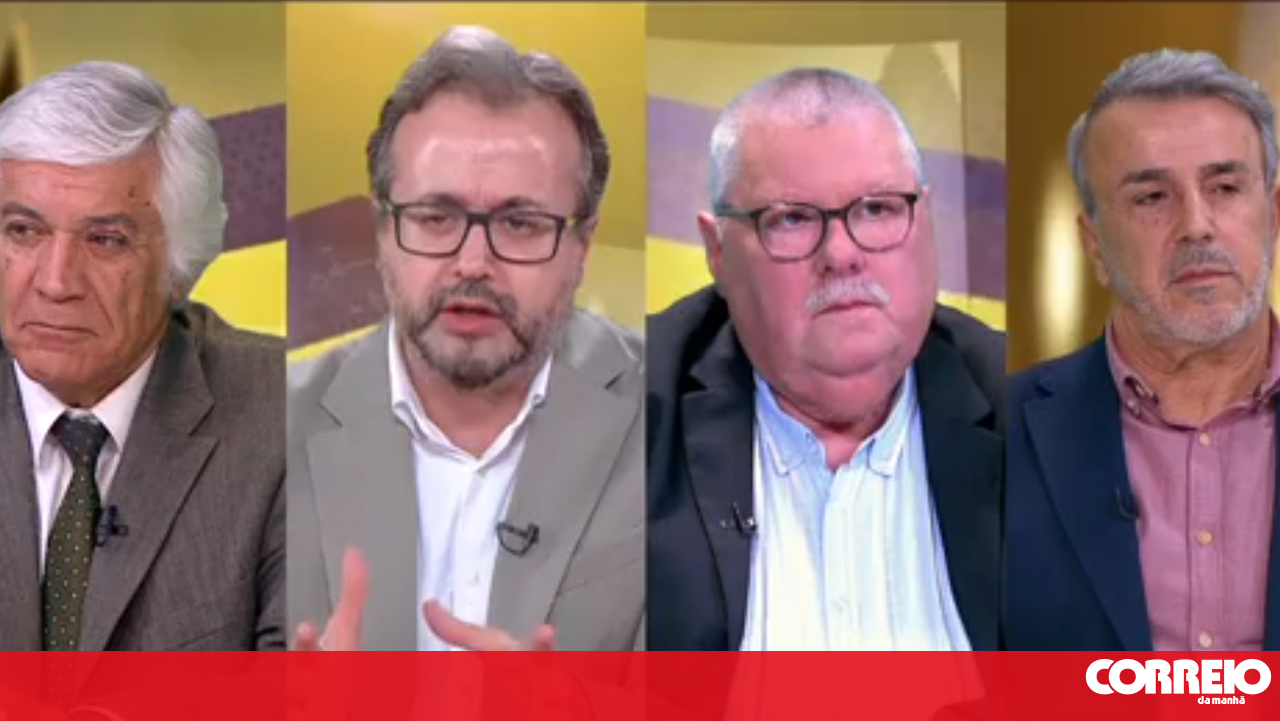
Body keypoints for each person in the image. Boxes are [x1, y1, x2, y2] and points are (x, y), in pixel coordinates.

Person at [286, 25, 644, 653]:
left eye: (520, 223)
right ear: (382, 232)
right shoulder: (271, 431)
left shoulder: (673, 416)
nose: (473, 263)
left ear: (582, 247)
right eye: (435, 217)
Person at [646, 67, 1006, 655]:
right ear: (717, 252)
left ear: (926, 222)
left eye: (878, 209)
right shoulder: (633, 413)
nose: (841, 254)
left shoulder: (1037, 417)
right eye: (791, 218)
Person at [0, 61, 285, 651]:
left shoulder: (288, 418)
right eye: (23, 231)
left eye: (105, 241)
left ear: (179, 266)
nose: (55, 282)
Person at [1006, 49, 1280, 651]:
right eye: (1152, 197)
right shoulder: (996, 437)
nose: (1197, 225)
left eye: (1225, 187)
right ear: (1095, 246)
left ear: (1275, 215)